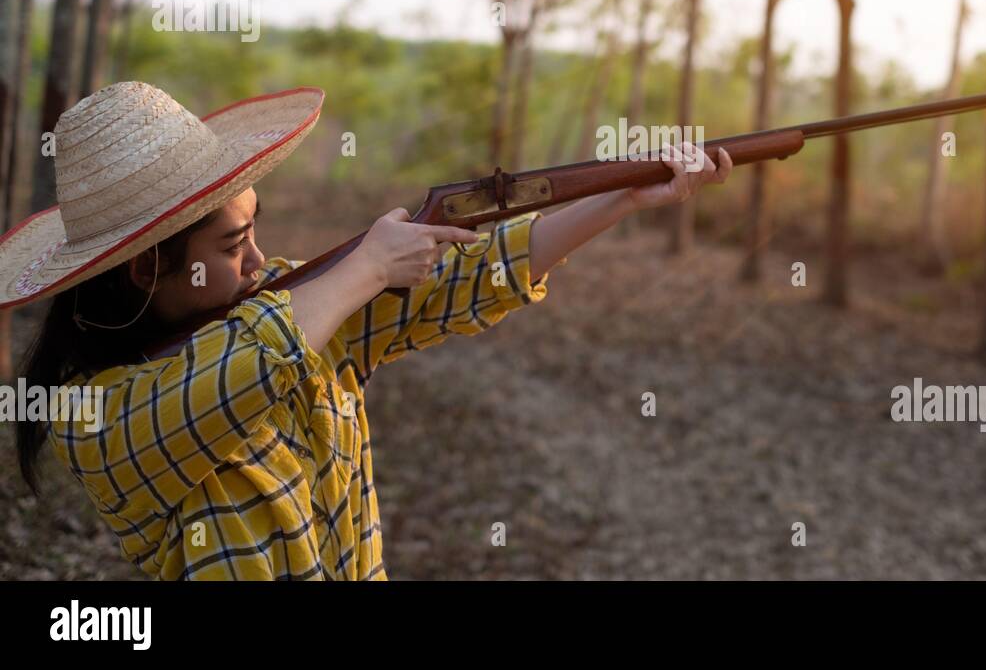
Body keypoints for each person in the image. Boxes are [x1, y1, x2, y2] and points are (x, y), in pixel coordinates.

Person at [1, 80, 731, 579]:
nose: (258, 259)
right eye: (231, 248)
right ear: (143, 272)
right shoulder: (95, 421)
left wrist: (621, 199)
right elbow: (248, 364)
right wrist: (365, 267)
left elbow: (469, 277)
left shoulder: (290, 306)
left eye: (255, 231)